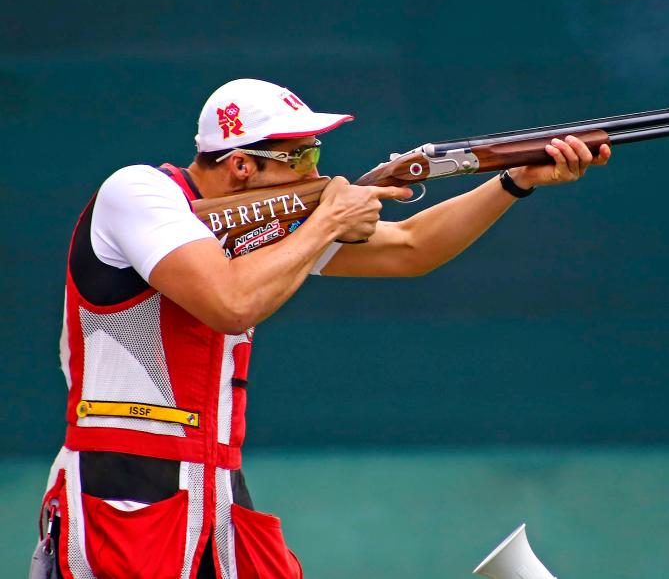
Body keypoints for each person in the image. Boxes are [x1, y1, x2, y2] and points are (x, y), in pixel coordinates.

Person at [31, 78, 612, 579]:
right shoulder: (137, 192)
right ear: (241, 165)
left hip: (216, 491)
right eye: (304, 158)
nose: (320, 171)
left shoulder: (270, 231)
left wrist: (515, 182)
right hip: (122, 490)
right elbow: (230, 302)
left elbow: (412, 248)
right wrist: (327, 220)